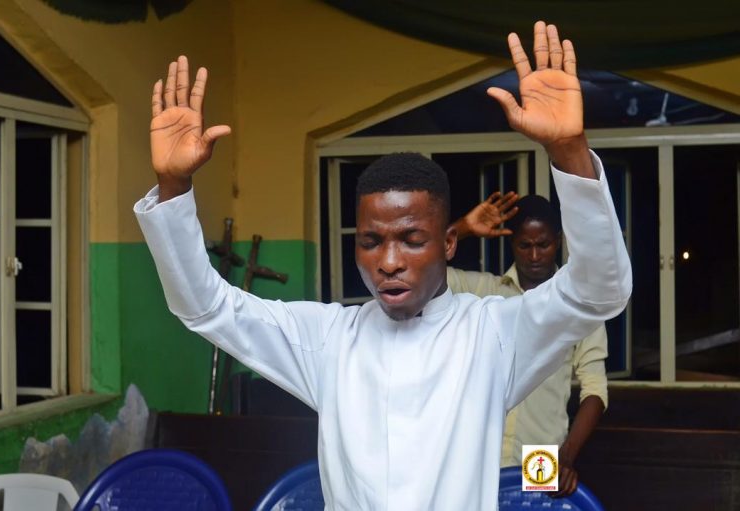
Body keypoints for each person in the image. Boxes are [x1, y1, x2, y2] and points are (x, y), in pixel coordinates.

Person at [135, 21, 631, 510]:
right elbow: (206, 306)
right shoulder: (329, 341)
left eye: (412, 240)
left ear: (449, 243)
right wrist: (175, 186)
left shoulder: (494, 333)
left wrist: (569, 151)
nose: (389, 262)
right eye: (371, 241)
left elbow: (598, 290)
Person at [447, 193, 609, 497]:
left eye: (543, 245)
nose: (534, 255)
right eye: (525, 245)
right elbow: (420, 270)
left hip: (541, 460)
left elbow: (595, 391)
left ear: (558, 241)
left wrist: (566, 458)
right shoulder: (484, 292)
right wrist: (462, 229)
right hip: (477, 456)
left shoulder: (578, 307)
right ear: (512, 244)